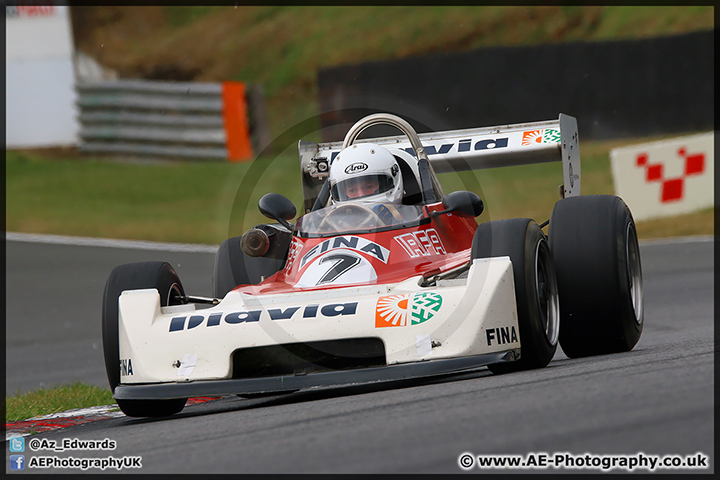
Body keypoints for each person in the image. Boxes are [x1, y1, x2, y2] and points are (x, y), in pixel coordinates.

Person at [327, 143, 405, 225]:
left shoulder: (414, 225)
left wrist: (399, 225)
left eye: (369, 187)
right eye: (352, 190)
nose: (361, 195)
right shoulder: (329, 228)